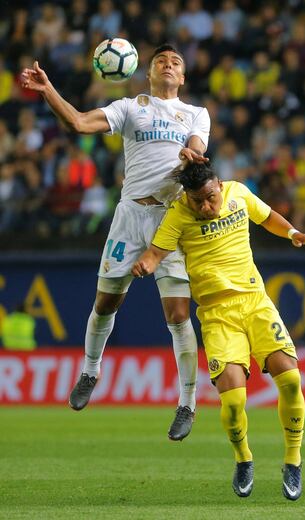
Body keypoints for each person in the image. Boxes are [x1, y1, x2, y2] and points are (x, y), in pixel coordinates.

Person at [21, 44, 210, 441]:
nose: (169, 65)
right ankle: (90, 370)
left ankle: (187, 402)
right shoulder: (130, 108)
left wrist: (191, 156)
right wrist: (48, 89)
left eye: (176, 62)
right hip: (129, 217)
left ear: (183, 76)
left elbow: (197, 147)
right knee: (105, 302)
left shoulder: (196, 114)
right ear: (149, 71)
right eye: (161, 61)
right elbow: (76, 122)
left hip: (169, 219)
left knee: (178, 314)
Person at [132, 162, 305, 500]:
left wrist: (293, 233)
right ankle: (243, 459)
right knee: (235, 401)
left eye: (210, 198)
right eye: (198, 201)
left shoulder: (239, 193)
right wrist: (144, 265)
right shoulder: (179, 215)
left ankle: (293, 461)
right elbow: (156, 253)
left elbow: (266, 217)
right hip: (217, 314)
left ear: (219, 186)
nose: (205, 207)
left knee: (292, 380)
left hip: (256, 303)